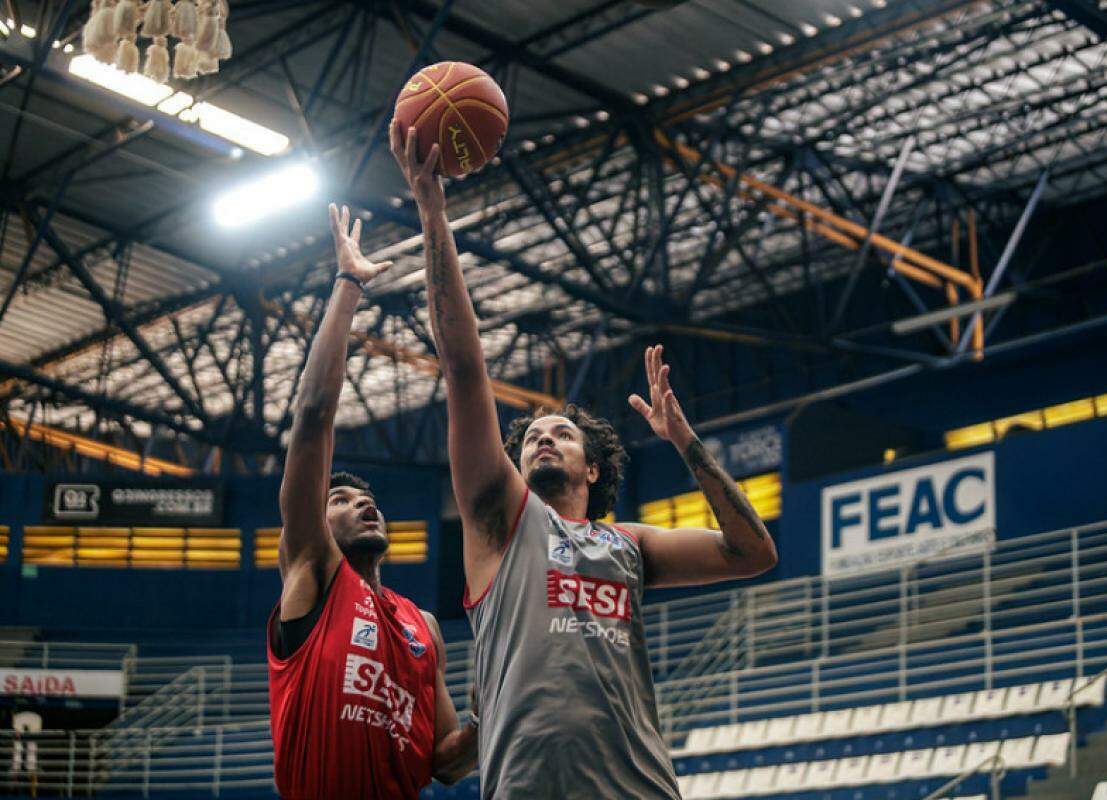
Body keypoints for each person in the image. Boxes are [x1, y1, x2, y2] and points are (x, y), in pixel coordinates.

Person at [392, 126, 779, 799]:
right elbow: (461, 364)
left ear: (593, 469)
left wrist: (687, 444)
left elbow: (753, 553)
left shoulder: (629, 544)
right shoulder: (501, 523)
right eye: (531, 436)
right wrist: (433, 212)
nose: (544, 439)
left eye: (562, 434)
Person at [267, 204, 477, 800]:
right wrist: (349, 285)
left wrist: (490, 717)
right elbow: (311, 419)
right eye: (341, 498)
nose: (364, 505)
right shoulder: (313, 568)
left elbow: (446, 762)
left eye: (369, 499)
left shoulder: (424, 627)